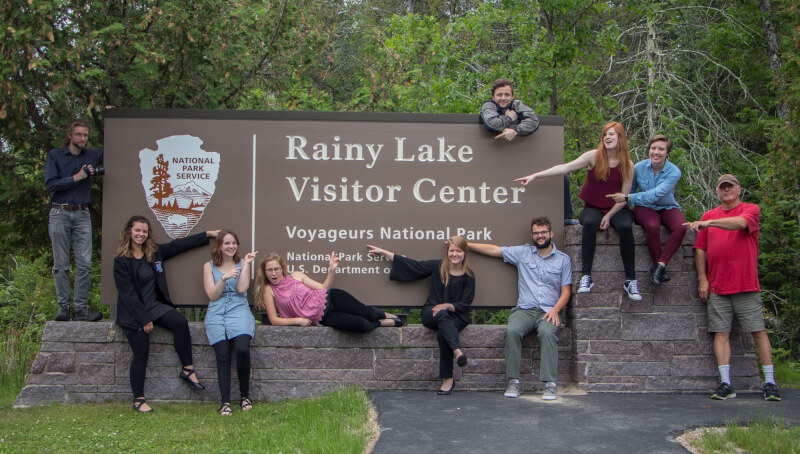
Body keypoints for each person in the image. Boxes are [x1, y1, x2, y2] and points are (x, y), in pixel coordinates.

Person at [515, 121, 640, 300]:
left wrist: (609, 215)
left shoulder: (628, 164)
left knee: (626, 226)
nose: (607, 137)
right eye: (605, 134)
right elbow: (565, 167)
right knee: (589, 222)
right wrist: (535, 175)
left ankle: (631, 280)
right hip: (593, 207)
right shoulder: (593, 157)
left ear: (620, 138)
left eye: (612, 134)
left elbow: (624, 196)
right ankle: (586, 276)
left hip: (617, 208)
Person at [685, 174, 780, 402]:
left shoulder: (750, 210)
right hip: (718, 286)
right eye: (722, 187)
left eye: (730, 187)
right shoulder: (709, 214)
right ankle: (726, 383)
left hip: (746, 285)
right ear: (717, 192)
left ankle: (770, 383)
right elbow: (701, 248)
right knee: (720, 333)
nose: (726, 190)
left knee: (758, 332)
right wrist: (702, 278)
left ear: (739, 189)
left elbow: (740, 224)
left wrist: (708, 224)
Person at [113, 215, 219, 413]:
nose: (141, 234)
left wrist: (207, 234)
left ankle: (187, 369)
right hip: (132, 314)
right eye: (137, 230)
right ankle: (138, 400)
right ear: (129, 231)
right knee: (141, 353)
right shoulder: (121, 261)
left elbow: (178, 245)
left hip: (154, 306)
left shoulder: (154, 253)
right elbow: (128, 295)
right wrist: (144, 319)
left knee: (180, 323)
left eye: (144, 231)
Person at [468, 217, 571, 400]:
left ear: (551, 234)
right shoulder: (523, 253)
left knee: (547, 333)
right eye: (536, 233)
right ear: (532, 235)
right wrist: (466, 244)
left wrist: (556, 310)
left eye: (543, 232)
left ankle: (550, 384)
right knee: (512, 331)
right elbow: (495, 250)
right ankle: (513, 382)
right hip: (525, 310)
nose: (540, 236)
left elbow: (566, 291)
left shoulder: (563, 260)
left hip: (550, 310)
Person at [367, 236, 475, 395]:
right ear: (447, 252)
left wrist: (447, 306)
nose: (454, 254)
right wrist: (384, 253)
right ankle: (457, 352)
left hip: (457, 316)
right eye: (452, 250)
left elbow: (465, 304)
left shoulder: (469, 276)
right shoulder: (438, 266)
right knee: (441, 315)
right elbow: (413, 265)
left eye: (458, 251)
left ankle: (447, 379)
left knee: (444, 334)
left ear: (464, 253)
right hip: (431, 313)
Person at [480, 78, 577, 225]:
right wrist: (509, 118)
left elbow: (533, 121)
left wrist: (515, 130)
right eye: (499, 95)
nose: (503, 98)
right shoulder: (488, 106)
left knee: (561, 176)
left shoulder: (517, 105)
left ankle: (566, 218)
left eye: (507, 94)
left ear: (512, 96)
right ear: (493, 97)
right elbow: (492, 123)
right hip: (496, 160)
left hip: (522, 157)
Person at [606, 134, 687, 285]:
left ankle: (660, 266)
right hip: (644, 207)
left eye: (661, 149)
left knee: (681, 227)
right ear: (649, 149)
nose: (656, 152)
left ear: (667, 152)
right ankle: (659, 268)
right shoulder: (639, 167)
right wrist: (620, 208)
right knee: (652, 225)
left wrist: (627, 197)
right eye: (653, 148)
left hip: (667, 206)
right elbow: (631, 188)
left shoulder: (674, 172)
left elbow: (655, 195)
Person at [44, 118, 103, 322]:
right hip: (59, 212)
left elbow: (116, 150)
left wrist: (111, 115)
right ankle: (63, 307)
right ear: (70, 135)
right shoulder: (55, 156)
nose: (82, 138)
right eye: (79, 134)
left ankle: (81, 309)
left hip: (82, 213)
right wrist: (77, 177)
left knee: (85, 264)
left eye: (85, 135)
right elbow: (50, 185)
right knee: (61, 264)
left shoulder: (92, 155)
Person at [255, 252, 403, 332]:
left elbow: (322, 287)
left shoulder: (296, 276)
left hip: (331, 298)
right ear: (265, 272)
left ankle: (388, 316)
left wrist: (331, 270)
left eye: (276, 269)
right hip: (323, 317)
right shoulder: (269, 290)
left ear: (282, 269)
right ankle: (382, 323)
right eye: (269, 270)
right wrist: (297, 320)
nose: (273, 273)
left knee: (366, 312)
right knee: (361, 325)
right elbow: (274, 320)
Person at [202, 230, 257, 416]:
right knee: (223, 355)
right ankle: (225, 402)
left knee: (242, 349)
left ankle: (245, 396)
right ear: (219, 246)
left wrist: (246, 265)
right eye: (227, 243)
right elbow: (212, 295)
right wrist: (223, 279)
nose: (231, 246)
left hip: (239, 310)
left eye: (234, 243)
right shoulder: (209, 266)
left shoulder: (242, 263)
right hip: (217, 313)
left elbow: (242, 289)